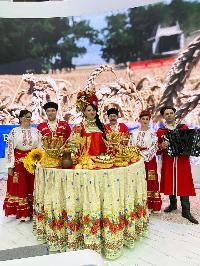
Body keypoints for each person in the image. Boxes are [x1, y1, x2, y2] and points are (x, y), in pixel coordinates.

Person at [157, 106, 198, 224]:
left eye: (171, 113)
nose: (169, 115)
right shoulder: (161, 132)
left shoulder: (183, 128)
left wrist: (196, 143)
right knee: (170, 181)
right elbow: (157, 149)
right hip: (169, 161)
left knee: (184, 183)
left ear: (174, 115)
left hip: (182, 161)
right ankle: (173, 204)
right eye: (166, 114)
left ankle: (186, 210)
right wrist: (161, 146)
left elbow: (191, 144)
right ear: (164, 117)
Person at [3, 110, 42, 222]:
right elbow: (9, 150)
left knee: (31, 186)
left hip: (32, 163)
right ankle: (20, 213)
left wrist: (38, 162)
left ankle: (32, 211)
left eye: (29, 117)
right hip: (18, 164)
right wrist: (10, 166)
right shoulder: (14, 132)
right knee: (19, 187)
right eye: (24, 117)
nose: (26, 119)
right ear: (19, 118)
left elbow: (41, 148)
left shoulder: (36, 132)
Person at [130, 110, 162, 212]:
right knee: (137, 180)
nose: (145, 121)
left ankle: (151, 205)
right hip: (136, 160)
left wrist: (145, 155)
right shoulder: (134, 133)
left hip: (150, 161)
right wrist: (137, 155)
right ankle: (138, 204)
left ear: (149, 120)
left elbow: (154, 147)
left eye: (147, 119)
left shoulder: (153, 133)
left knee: (150, 179)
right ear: (139, 120)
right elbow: (130, 145)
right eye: (143, 119)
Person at [71, 89, 106, 156]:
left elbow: (107, 144)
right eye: (89, 110)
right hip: (86, 162)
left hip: (102, 161)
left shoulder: (102, 126)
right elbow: (73, 145)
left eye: (93, 110)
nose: (92, 112)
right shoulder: (79, 127)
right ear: (84, 112)